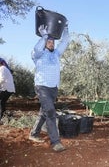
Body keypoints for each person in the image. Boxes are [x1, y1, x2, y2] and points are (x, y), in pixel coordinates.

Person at [29, 22, 70, 152]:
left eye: (52, 42)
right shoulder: (38, 55)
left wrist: (65, 28)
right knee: (51, 111)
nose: (51, 43)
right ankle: (55, 142)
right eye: (49, 42)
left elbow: (65, 41)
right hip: (42, 86)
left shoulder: (56, 54)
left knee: (44, 111)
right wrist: (44, 36)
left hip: (53, 88)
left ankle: (34, 134)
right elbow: (37, 49)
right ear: (45, 42)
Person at [0, 59, 15, 125]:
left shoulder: (2, 68)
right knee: (2, 102)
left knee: (1, 102)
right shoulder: (4, 68)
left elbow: (2, 79)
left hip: (6, 89)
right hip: (9, 89)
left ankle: (3, 117)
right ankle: (8, 116)